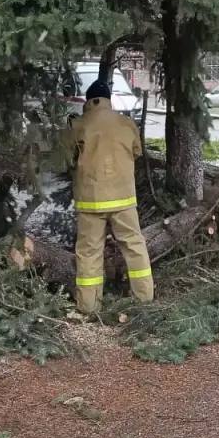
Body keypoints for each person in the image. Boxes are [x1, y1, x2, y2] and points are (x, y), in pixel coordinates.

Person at [70, 79, 154, 314]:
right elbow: (137, 151)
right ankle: (145, 299)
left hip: (90, 201)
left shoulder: (79, 125)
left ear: (88, 101)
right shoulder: (126, 124)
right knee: (135, 246)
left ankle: (88, 306)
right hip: (124, 199)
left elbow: (66, 156)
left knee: (89, 252)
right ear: (109, 100)